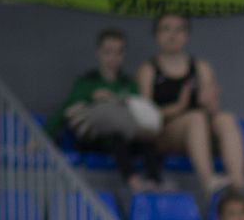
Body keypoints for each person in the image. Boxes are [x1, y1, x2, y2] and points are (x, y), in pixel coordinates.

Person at [136, 14, 244, 192]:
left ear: (186, 35)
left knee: (225, 118)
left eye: (178, 30)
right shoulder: (148, 70)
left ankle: (238, 184)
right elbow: (145, 118)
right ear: (156, 35)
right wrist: (180, 106)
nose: (172, 35)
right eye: (166, 29)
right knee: (194, 118)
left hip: (200, 132)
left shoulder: (201, 67)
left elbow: (211, 111)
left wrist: (209, 103)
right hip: (165, 134)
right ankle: (209, 180)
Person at [47, 28, 160, 189]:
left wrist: (118, 102)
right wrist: (41, 139)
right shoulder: (87, 82)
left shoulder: (129, 84)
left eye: (118, 52)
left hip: (125, 138)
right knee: (115, 136)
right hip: (95, 140)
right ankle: (134, 182)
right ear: (98, 53)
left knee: (147, 142)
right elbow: (64, 111)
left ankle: (156, 183)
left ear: (123, 55)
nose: (112, 57)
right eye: (108, 52)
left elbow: (139, 112)